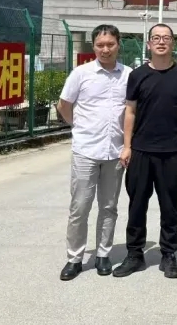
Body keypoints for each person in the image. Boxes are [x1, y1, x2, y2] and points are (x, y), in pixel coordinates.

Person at [113, 23, 177, 280]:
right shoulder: (137, 75)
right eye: (156, 38)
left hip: (171, 151)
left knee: (170, 206)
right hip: (140, 151)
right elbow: (130, 112)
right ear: (148, 44)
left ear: (172, 43)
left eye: (166, 38)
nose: (161, 42)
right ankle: (134, 254)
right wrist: (127, 146)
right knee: (137, 205)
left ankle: (168, 254)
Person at [56, 24, 132, 281]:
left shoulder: (128, 75)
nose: (105, 49)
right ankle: (74, 258)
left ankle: (103, 254)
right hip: (86, 150)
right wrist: (77, 127)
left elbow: (132, 110)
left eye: (110, 44)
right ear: (94, 46)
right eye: (100, 45)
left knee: (109, 207)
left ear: (118, 45)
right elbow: (64, 105)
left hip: (115, 152)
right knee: (80, 206)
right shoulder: (81, 73)